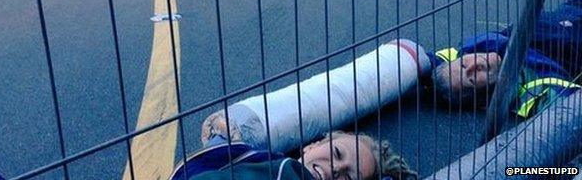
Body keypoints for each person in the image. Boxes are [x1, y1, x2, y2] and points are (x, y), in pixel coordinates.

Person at [430, 0, 582, 118]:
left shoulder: (473, 48)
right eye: (471, 78)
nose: (474, 65)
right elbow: (568, 110)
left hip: (572, 9)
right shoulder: (532, 92)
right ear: (485, 100)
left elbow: (421, 58)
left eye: (463, 64)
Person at [167, 111, 416, 180]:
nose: (336, 169)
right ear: (312, 145)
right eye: (337, 153)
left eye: (349, 178)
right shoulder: (257, 159)